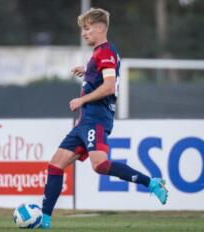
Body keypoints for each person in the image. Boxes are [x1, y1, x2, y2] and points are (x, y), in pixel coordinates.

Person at [40, 8, 168, 229]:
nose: (84, 33)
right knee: (55, 164)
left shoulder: (105, 52)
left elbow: (109, 87)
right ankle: (44, 219)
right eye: (83, 29)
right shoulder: (99, 54)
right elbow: (104, 75)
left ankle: (152, 183)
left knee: (100, 165)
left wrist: (81, 100)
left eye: (87, 28)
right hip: (84, 122)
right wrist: (88, 70)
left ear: (100, 28)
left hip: (95, 119)